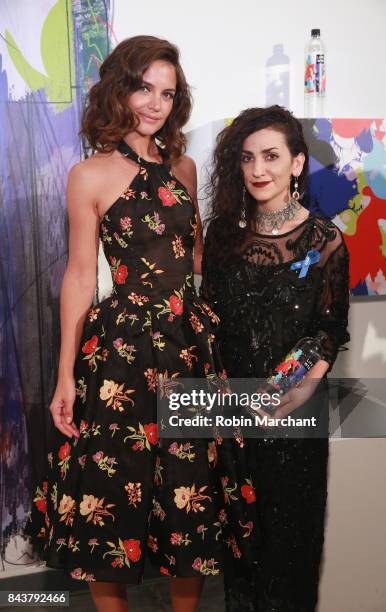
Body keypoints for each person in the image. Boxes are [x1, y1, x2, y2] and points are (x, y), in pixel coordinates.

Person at [23, 35, 240, 612]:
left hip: (188, 343)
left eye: (167, 93)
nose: (156, 103)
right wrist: (65, 375)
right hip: (119, 350)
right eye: (145, 87)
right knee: (109, 488)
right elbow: (75, 277)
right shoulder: (88, 175)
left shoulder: (184, 168)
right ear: (120, 87)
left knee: (189, 487)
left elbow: (191, 260)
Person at [201, 105, 350, 611]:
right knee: (240, 554)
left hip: (296, 424)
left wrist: (298, 387)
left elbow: (328, 331)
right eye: (247, 158)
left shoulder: (326, 240)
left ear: (297, 164)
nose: (258, 170)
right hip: (233, 421)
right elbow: (209, 324)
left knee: (292, 550)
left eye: (271, 156)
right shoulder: (221, 235)